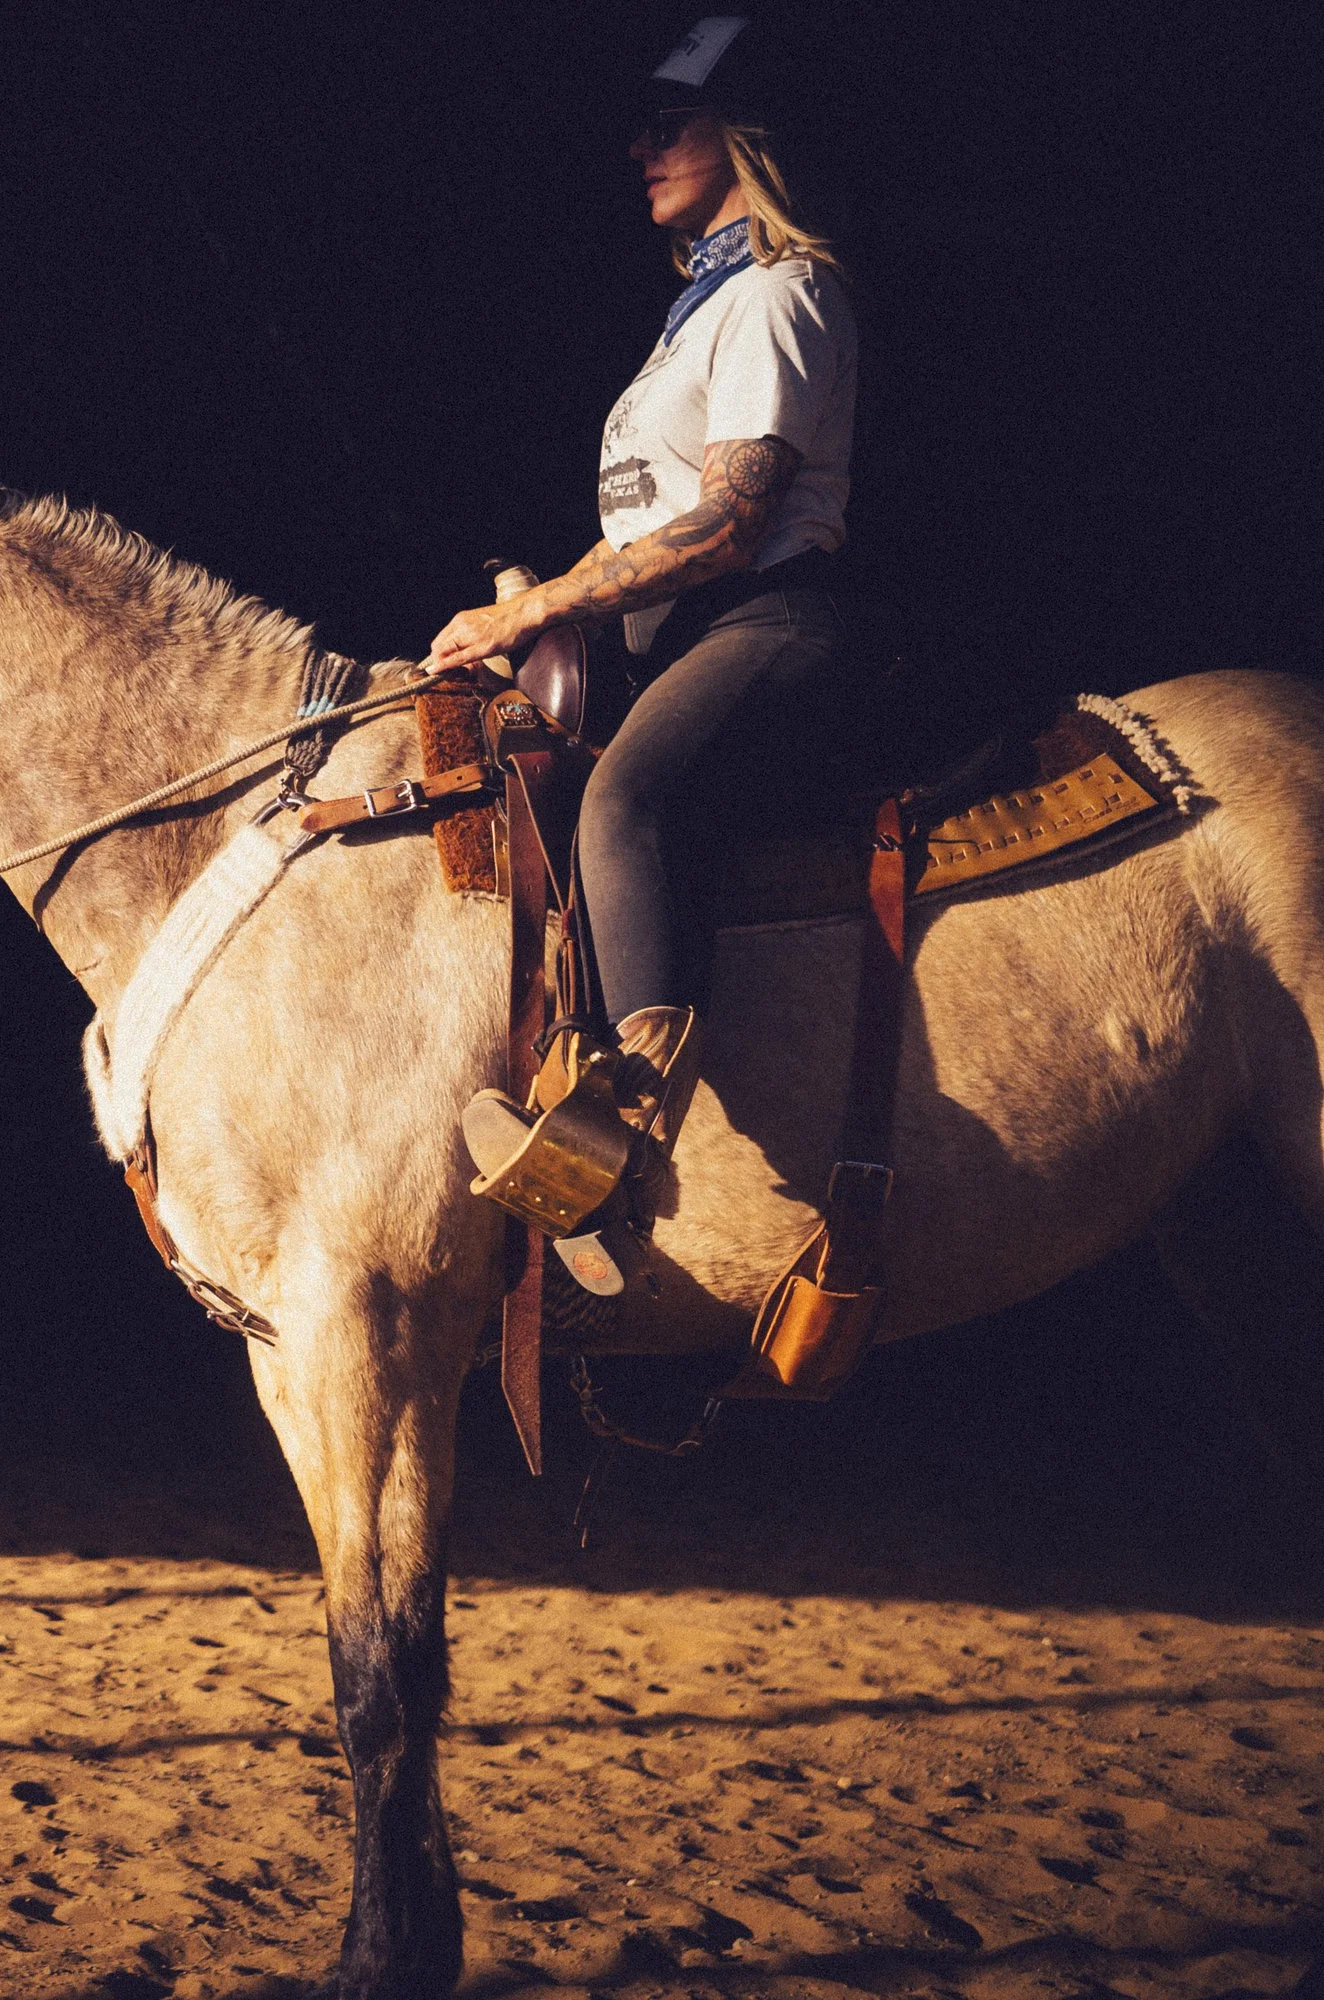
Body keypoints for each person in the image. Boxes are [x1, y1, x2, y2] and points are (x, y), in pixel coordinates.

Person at [436, 14, 860, 1214]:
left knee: (625, 799)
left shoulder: (783, 294)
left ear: (746, 134)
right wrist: (520, 616)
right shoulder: (693, 319)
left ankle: (625, 1135)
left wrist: (556, 599)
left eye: (664, 126)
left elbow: (727, 524)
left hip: (763, 622)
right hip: (672, 634)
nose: (639, 150)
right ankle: (557, 1062)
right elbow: (635, 532)